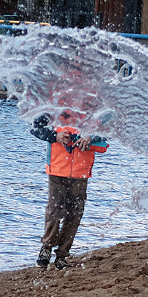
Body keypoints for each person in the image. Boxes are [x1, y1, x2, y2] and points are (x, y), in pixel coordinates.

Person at [31, 109, 108, 270]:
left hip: (81, 172)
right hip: (57, 169)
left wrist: (90, 137)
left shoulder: (95, 108)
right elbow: (35, 127)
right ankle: (46, 248)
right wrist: (55, 136)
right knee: (54, 211)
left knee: (74, 213)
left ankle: (62, 255)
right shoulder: (53, 106)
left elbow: (109, 131)